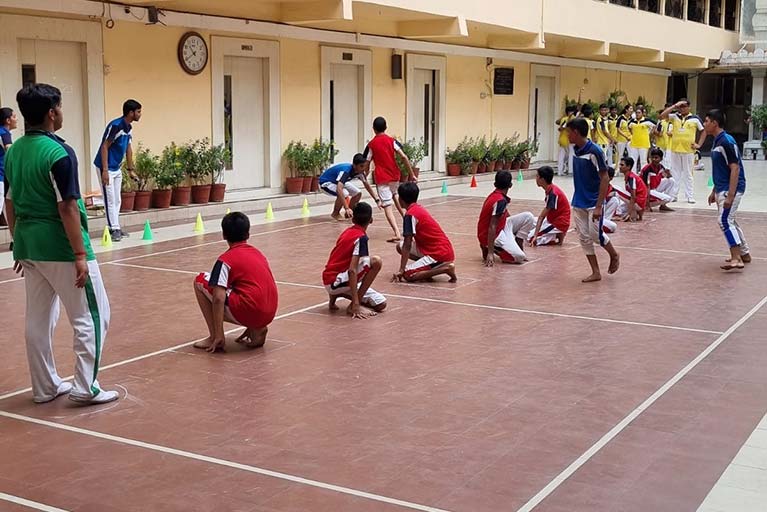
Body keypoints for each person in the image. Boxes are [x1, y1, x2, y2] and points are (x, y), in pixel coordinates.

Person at [4, 83, 117, 405]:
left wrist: (18, 241)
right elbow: (67, 206)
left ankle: (45, 387)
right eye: (61, 107)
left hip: (29, 246)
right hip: (61, 247)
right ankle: (85, 387)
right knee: (92, 316)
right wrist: (80, 253)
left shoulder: (13, 152)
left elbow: (9, 202)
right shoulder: (59, 152)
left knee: (38, 319)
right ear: (52, 113)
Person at [193, 212, 279, 353]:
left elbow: (218, 298)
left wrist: (219, 334)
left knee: (200, 280)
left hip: (249, 310)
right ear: (248, 234)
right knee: (243, 285)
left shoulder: (225, 260)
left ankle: (214, 336)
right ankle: (257, 327)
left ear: (224, 235)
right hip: (270, 312)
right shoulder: (258, 254)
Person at [567, 117, 620, 282]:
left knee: (595, 235)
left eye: (569, 132)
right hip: (578, 200)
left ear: (576, 132)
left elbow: (604, 177)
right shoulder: (575, 150)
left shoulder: (595, 151)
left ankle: (614, 254)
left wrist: (598, 206)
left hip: (593, 201)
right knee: (583, 237)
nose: (567, 135)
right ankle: (596, 272)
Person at [703, 109, 751, 270]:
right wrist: (714, 190)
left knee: (724, 221)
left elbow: (735, 168)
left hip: (731, 188)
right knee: (730, 220)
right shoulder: (717, 141)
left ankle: (736, 257)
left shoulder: (726, 142)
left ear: (715, 123)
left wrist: (730, 195)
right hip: (721, 187)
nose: (704, 124)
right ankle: (744, 253)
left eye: (706, 121)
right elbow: (721, 168)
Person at [322, 202, 387, 318]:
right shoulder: (361, 238)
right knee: (376, 262)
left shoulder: (347, 232)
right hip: (335, 280)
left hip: (331, 279)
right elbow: (352, 270)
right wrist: (356, 304)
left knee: (381, 303)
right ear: (371, 220)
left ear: (353, 220)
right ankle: (354, 305)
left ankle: (335, 296)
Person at [94, 99, 142, 242]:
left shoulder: (129, 128)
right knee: (109, 199)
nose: (140, 114)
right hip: (106, 167)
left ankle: (116, 227)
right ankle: (113, 228)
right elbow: (104, 147)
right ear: (131, 113)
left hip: (117, 167)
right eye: (138, 112)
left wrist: (130, 169)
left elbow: (128, 149)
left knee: (117, 199)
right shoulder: (116, 126)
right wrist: (105, 171)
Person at [363, 116, 414, 243]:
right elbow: (404, 157)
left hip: (381, 177)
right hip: (394, 174)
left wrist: (365, 174)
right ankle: (408, 222)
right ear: (386, 127)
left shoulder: (371, 144)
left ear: (373, 129)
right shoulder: (392, 141)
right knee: (395, 196)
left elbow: (367, 162)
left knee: (387, 205)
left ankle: (397, 232)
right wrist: (411, 174)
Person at [392, 182, 456, 282]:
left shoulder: (409, 215)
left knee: (408, 275)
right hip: (442, 250)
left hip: (438, 254)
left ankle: (445, 268)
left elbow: (407, 244)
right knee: (399, 246)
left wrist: (401, 269)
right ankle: (427, 267)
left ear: (401, 199)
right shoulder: (417, 208)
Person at [477, 170, 536, 266]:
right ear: (510, 185)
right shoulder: (499, 200)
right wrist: (490, 253)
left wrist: (514, 228)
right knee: (519, 257)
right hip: (491, 234)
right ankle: (491, 247)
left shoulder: (496, 195)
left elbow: (505, 214)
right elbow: (492, 226)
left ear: (495, 184)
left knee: (529, 217)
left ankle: (518, 242)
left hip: (501, 226)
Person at [661, 99, 704, 203]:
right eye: (681, 106)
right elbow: (662, 116)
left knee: (688, 173)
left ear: (689, 107)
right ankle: (674, 195)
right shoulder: (675, 116)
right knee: (675, 173)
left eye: (684, 106)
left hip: (688, 150)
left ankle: (689, 196)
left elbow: (703, 131)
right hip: (675, 149)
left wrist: (699, 144)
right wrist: (674, 106)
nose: (683, 108)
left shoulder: (695, 119)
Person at [319, 153, 380, 221]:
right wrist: (346, 207)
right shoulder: (346, 171)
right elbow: (339, 189)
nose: (363, 169)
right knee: (344, 193)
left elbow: (367, 185)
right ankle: (335, 213)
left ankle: (349, 213)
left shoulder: (360, 172)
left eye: (365, 166)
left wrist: (377, 200)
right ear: (354, 165)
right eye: (361, 166)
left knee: (358, 193)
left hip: (337, 182)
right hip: (325, 183)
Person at [529, 166, 571, 246]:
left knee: (530, 238)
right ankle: (554, 234)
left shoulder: (553, 194)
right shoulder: (550, 189)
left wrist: (535, 235)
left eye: (537, 176)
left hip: (558, 222)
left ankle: (557, 234)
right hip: (552, 218)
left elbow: (541, 217)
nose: (536, 179)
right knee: (529, 221)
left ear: (542, 179)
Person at [614, 157, 648, 222]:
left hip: (638, 202)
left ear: (628, 167)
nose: (620, 167)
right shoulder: (629, 176)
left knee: (614, 189)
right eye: (620, 165)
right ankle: (633, 213)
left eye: (622, 165)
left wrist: (629, 213)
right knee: (620, 209)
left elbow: (633, 196)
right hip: (639, 203)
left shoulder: (631, 178)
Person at [0, 107, 17, 219]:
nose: (16, 119)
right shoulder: (4, 133)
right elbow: (9, 150)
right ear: (8, 120)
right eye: (14, 117)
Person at [627, 107, 656, 172]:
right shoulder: (632, 121)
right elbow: (629, 127)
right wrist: (632, 133)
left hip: (644, 144)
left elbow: (655, 125)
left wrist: (650, 133)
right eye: (636, 113)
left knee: (643, 161)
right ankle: (633, 175)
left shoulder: (647, 120)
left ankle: (643, 175)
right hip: (634, 144)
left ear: (642, 113)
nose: (637, 114)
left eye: (639, 113)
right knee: (633, 160)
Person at [557, 105, 578, 176]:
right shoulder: (572, 119)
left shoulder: (563, 119)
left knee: (561, 156)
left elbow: (559, 126)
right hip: (568, 140)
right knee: (570, 155)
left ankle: (560, 171)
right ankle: (570, 170)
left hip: (562, 139)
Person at [655, 104, 674, 169]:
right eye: (666, 110)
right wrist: (657, 132)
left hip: (671, 145)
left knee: (669, 161)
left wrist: (672, 133)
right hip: (661, 144)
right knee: (661, 161)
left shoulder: (674, 122)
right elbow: (657, 132)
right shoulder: (661, 122)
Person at [602, 166, 619, 235]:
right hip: (591, 212)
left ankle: (605, 221)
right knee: (613, 226)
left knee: (615, 200)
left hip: (599, 213)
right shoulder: (595, 184)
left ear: (611, 178)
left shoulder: (610, 188)